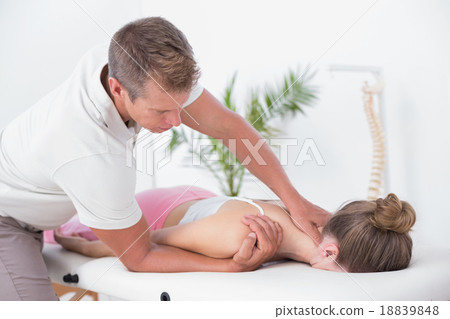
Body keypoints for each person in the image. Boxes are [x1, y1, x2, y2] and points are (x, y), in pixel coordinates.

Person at [0, 17, 330, 300]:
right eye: (161, 111)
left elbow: (229, 127)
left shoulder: (132, 59)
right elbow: (138, 255)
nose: (176, 122)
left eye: (180, 106)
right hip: (8, 221)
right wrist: (230, 266)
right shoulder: (90, 152)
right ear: (117, 89)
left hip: (45, 196)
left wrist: (296, 202)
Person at [50, 186, 416, 273]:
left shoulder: (303, 229)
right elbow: (140, 243)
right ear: (330, 252)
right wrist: (73, 244)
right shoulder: (241, 237)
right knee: (62, 224)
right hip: (156, 214)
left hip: (200, 202)